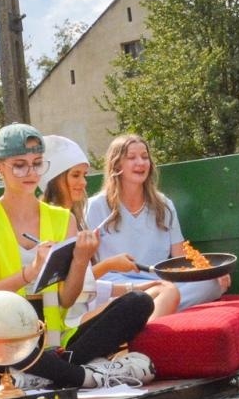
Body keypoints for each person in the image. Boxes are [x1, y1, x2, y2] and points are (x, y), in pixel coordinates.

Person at [0, 124, 155, 390]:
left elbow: (66, 299)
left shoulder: (63, 218)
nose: (30, 173)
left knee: (139, 303)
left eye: (37, 164)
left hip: (59, 341)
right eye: (20, 165)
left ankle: (49, 373)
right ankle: (81, 377)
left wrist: (81, 259)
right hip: (9, 337)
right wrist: (29, 273)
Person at [41, 135, 179, 323]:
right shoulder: (58, 219)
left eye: (84, 175)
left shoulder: (73, 218)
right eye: (76, 175)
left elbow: (90, 287)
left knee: (169, 289)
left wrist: (143, 286)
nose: (83, 182)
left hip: (95, 298)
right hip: (71, 321)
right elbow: (67, 295)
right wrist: (110, 266)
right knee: (163, 293)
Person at [84, 134, 230, 311]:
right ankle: (153, 307)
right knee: (101, 292)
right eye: (132, 157)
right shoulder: (95, 206)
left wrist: (209, 271)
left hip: (159, 282)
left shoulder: (164, 205)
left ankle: (147, 309)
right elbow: (87, 268)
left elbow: (180, 256)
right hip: (118, 284)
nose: (141, 163)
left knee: (211, 284)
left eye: (145, 157)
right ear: (116, 164)